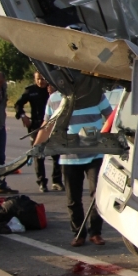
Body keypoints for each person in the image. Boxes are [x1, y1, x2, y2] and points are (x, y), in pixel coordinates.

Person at [36, 89, 112, 247]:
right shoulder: (55, 98)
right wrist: (36, 147)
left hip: (95, 155)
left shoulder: (95, 95)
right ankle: (78, 233)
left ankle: (95, 233)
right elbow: (47, 125)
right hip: (69, 158)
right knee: (73, 199)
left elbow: (111, 118)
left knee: (97, 195)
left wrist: (108, 139)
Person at [14, 72, 63, 193]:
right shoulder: (30, 90)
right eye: (38, 79)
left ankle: (56, 181)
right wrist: (23, 116)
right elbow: (18, 105)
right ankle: (42, 182)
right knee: (38, 154)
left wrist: (53, 94)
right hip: (36, 126)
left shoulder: (55, 90)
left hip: (53, 125)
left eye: (43, 79)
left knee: (57, 154)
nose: (41, 81)